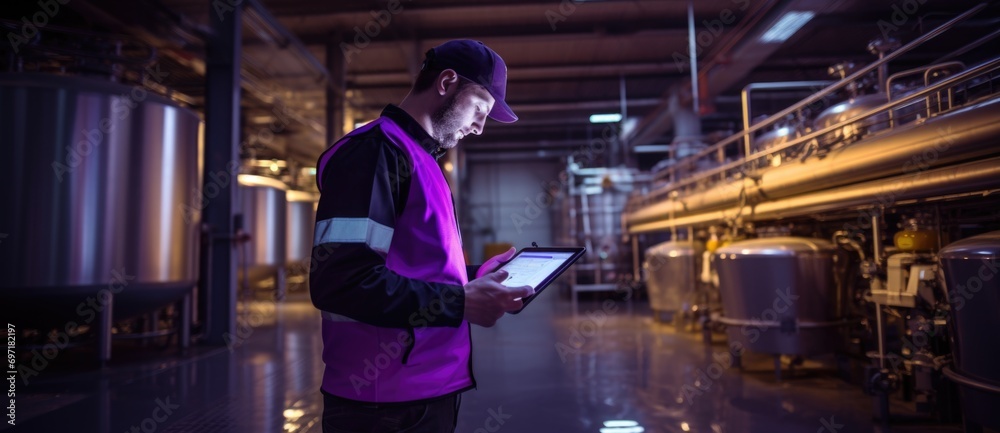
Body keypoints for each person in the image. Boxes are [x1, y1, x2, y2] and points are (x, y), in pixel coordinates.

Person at [310, 40, 534, 433]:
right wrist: (460, 303)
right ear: (447, 82)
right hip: (380, 403)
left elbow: (414, 264)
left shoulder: (421, 160)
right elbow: (340, 281)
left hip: (425, 389)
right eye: (480, 109)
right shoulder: (375, 153)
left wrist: (476, 277)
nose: (480, 127)